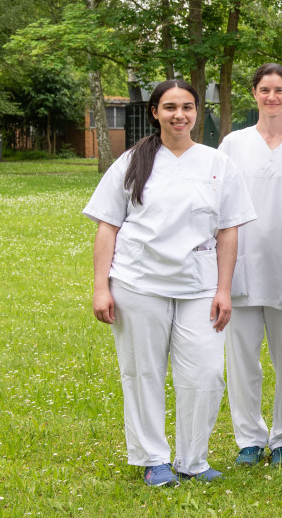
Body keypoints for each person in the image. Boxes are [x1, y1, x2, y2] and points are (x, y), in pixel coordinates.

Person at [85, 80, 255, 486]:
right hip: (138, 282)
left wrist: (223, 289)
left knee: (207, 373)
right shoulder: (131, 162)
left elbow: (229, 231)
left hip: (199, 284)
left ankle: (193, 459)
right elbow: (107, 226)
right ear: (155, 112)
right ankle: (154, 459)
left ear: (198, 112)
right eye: (170, 107)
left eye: (188, 107)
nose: (180, 114)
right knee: (142, 372)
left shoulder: (218, 163)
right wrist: (100, 286)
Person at [219, 63, 282, 468]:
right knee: (242, 361)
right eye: (264, 89)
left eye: (279, 89)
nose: (272, 96)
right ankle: (249, 439)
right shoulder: (233, 144)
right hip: (241, 265)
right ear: (254, 94)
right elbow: (220, 205)